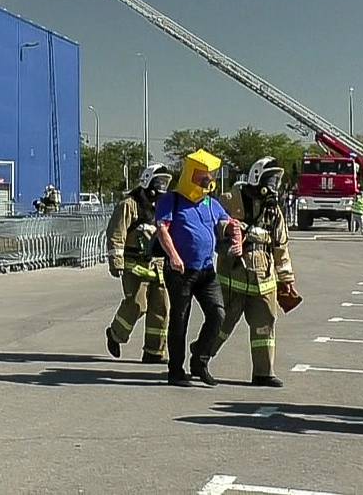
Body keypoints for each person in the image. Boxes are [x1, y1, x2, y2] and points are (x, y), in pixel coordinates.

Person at [210, 157, 301, 387]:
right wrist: (234, 230)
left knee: (265, 324)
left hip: (264, 278)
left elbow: (281, 246)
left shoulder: (274, 210)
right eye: (271, 180)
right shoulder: (230, 200)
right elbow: (214, 225)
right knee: (223, 323)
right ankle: (200, 358)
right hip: (234, 276)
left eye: (277, 181)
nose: (274, 186)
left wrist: (286, 279)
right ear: (257, 177)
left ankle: (263, 372)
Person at [155, 149, 241, 387]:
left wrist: (235, 234)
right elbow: (162, 229)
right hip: (180, 271)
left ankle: (200, 360)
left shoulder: (211, 204)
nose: (208, 180)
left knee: (218, 314)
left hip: (206, 271)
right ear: (191, 175)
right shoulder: (170, 201)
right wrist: (173, 256)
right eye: (203, 175)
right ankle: (175, 371)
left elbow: (227, 223)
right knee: (180, 319)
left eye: (210, 176)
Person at [104, 164, 173, 364]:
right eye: (158, 182)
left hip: (158, 265)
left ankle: (154, 351)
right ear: (147, 181)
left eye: (165, 183)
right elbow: (116, 233)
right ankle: (115, 334)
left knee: (161, 308)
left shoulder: (163, 207)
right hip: (134, 264)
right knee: (137, 304)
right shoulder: (129, 204)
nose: (162, 187)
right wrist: (116, 261)